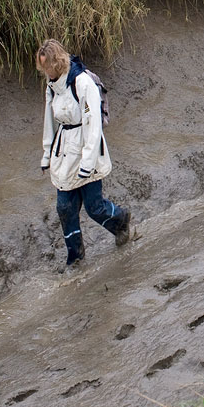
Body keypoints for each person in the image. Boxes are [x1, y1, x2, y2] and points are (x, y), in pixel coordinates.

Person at [36, 39, 131, 272]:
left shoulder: (83, 83)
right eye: (42, 67)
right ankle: (75, 258)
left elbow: (93, 125)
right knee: (64, 208)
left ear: (57, 62)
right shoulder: (51, 86)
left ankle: (122, 222)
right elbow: (49, 121)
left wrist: (88, 163)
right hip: (64, 151)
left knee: (94, 207)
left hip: (87, 148)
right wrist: (47, 154)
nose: (44, 72)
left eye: (46, 66)